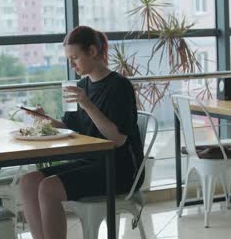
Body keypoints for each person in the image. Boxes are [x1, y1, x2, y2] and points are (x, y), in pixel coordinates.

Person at [19, 25, 143, 239]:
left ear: (93, 52)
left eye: (74, 57)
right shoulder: (81, 85)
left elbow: (118, 139)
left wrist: (87, 104)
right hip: (92, 161)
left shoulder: (119, 86)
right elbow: (69, 125)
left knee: (48, 189)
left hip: (120, 168)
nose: (71, 64)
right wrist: (45, 119)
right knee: (28, 182)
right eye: (69, 59)